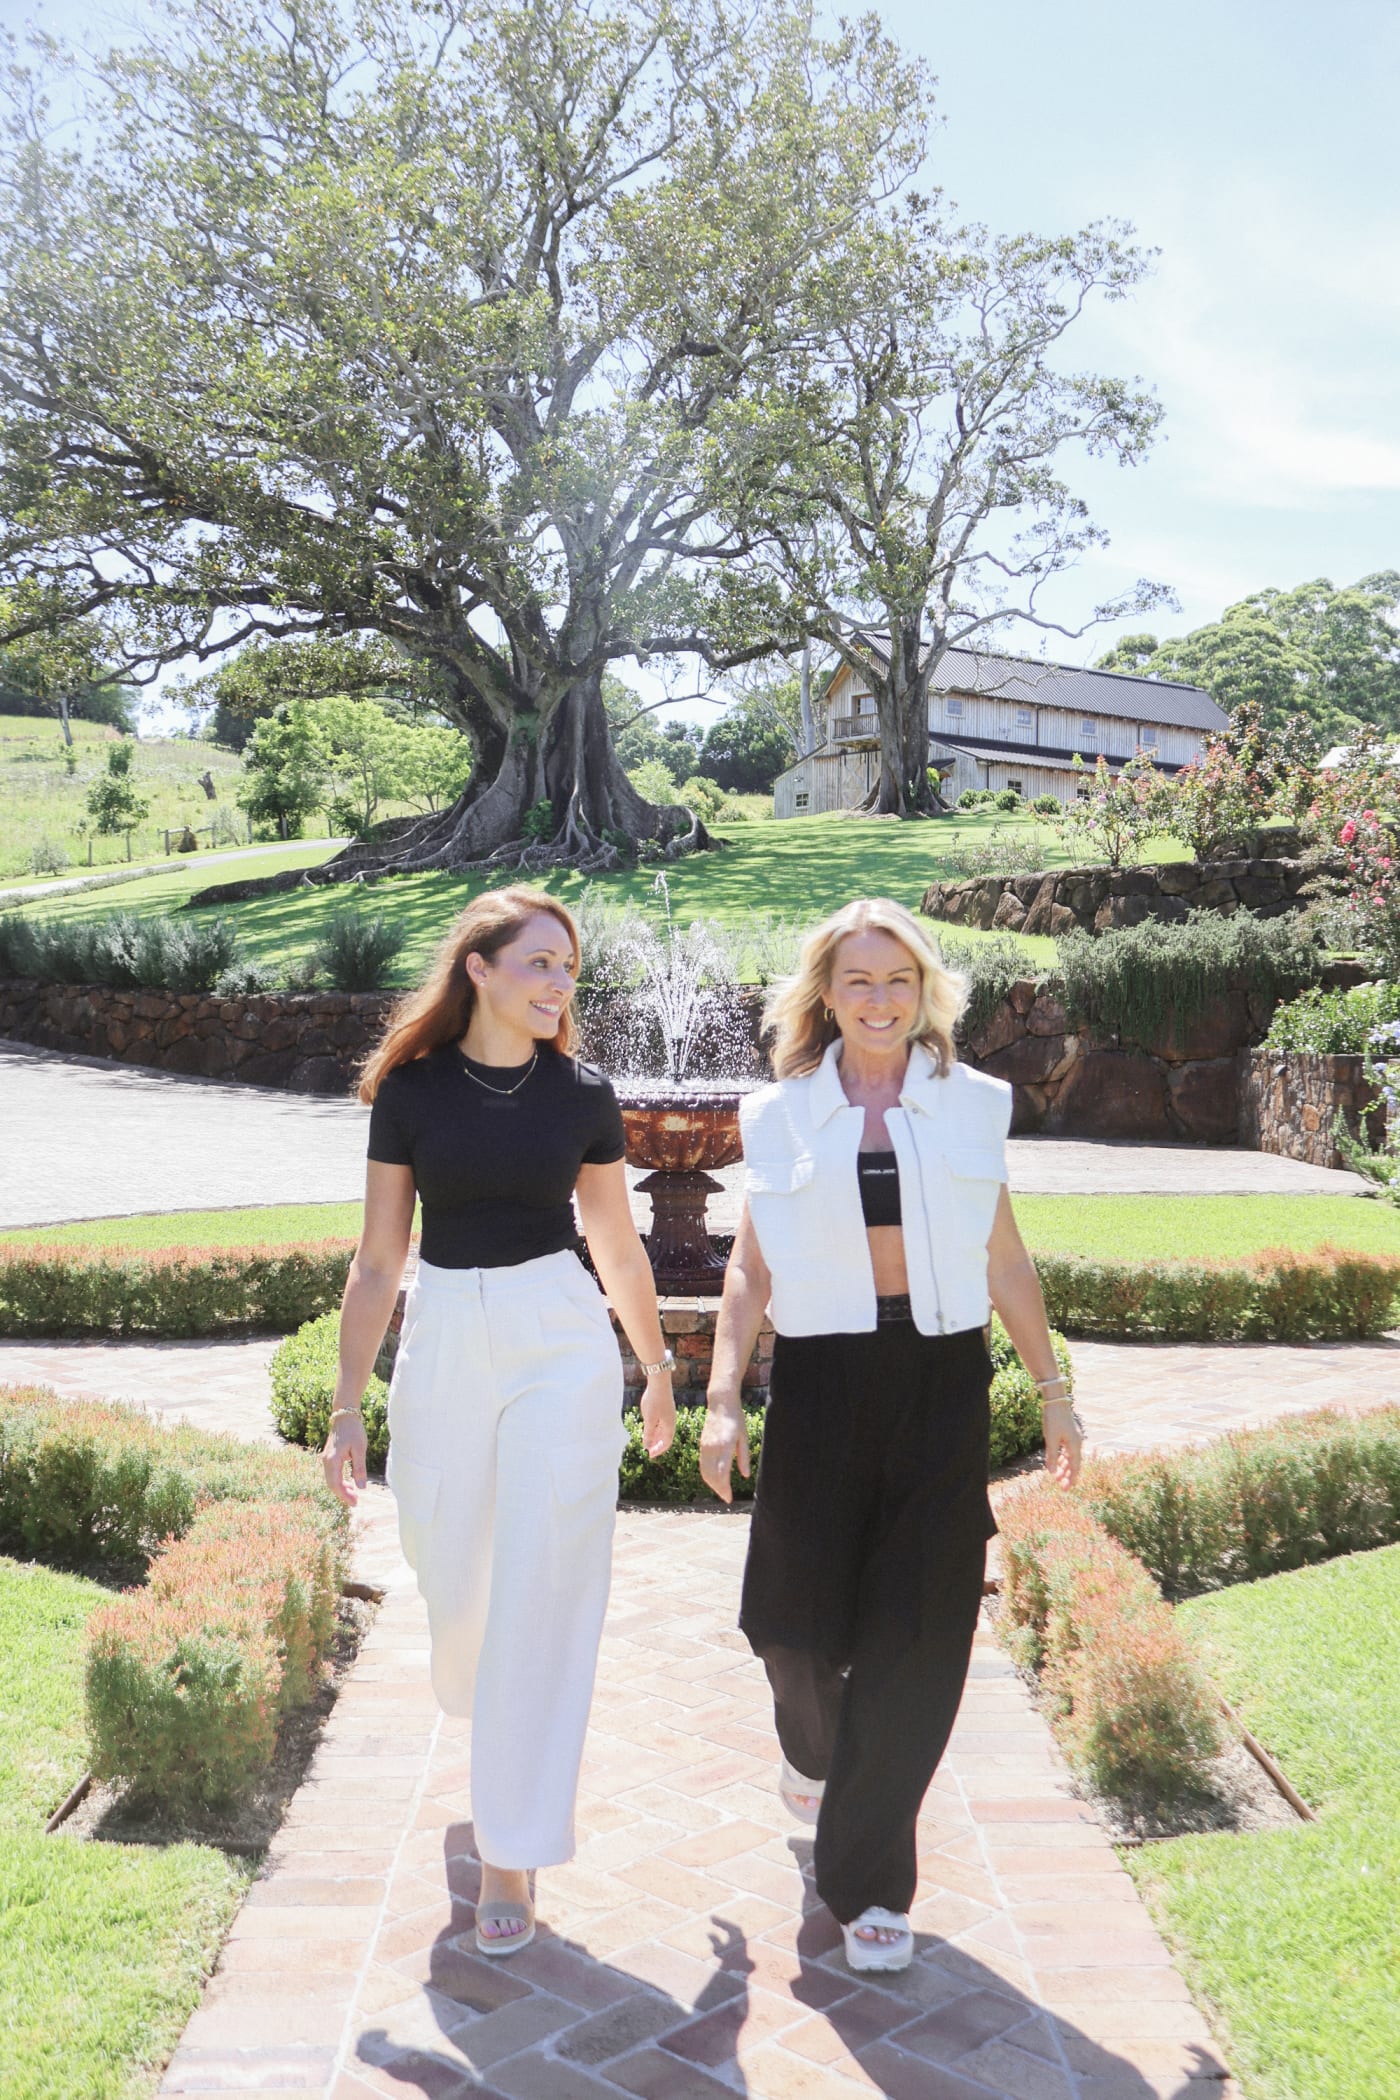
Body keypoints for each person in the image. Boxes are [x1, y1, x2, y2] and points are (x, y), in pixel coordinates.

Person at [698, 897, 1082, 1974]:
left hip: (939, 1380)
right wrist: (722, 1395)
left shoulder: (972, 1106)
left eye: (898, 981)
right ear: (824, 994)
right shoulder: (775, 1116)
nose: (878, 1000)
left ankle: (869, 1886)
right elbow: (749, 1269)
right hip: (820, 1382)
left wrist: (1051, 1387)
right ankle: (812, 1759)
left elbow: (1004, 1259)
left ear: (924, 995)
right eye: (858, 981)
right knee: (792, 1633)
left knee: (920, 1630)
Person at [322, 886, 676, 1957]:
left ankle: (509, 1851)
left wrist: (654, 1367)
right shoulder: (412, 1092)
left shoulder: (582, 1094)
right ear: (478, 968)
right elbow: (380, 1255)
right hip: (446, 1328)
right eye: (538, 963)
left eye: (568, 966)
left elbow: (614, 1243)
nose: (559, 983)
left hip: (557, 1336)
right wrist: (348, 1404)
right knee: (448, 1564)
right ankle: (484, 1708)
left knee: (539, 1579)